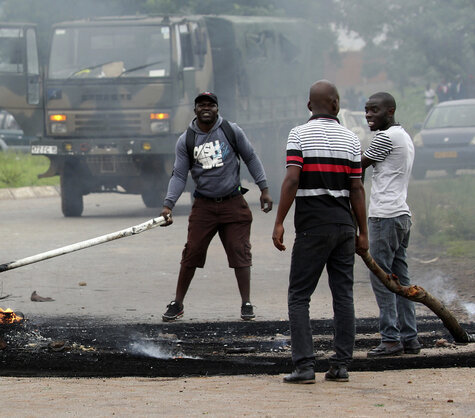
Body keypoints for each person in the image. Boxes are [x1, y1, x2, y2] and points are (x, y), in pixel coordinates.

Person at [272, 80, 368, 384]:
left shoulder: (298, 134)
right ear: (337, 104)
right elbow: (357, 188)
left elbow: (291, 180)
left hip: (313, 226)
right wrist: (362, 231)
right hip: (343, 226)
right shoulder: (352, 139)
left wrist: (279, 222)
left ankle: (304, 366)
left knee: (299, 296)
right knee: (343, 295)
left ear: (309, 105)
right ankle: (340, 365)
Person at [160, 91, 273, 322]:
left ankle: (246, 303)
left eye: (211, 105)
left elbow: (251, 157)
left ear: (217, 109)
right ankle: (178, 303)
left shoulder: (231, 131)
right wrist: (168, 205)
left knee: (240, 251)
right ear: (195, 111)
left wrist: (264, 188)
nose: (206, 108)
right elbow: (179, 175)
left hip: (233, 203)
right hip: (204, 206)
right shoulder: (186, 140)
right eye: (201, 105)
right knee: (191, 252)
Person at [361, 92, 420, 357]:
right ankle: (410, 338)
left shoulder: (386, 138)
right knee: (401, 280)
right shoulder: (404, 136)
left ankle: (390, 339)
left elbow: (357, 166)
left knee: (382, 279)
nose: (369, 115)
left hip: (385, 216)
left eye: (374, 110)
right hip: (401, 216)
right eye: (367, 110)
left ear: (390, 111)